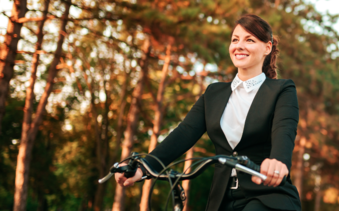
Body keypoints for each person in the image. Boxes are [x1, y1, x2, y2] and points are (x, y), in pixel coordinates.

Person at [114, 14, 302, 211]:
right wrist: (144, 167)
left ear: (267, 47)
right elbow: (185, 132)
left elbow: (285, 130)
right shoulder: (214, 93)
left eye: (250, 40)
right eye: (235, 39)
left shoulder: (281, 90)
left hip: (267, 198)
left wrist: (278, 163)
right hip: (222, 200)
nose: (239, 45)